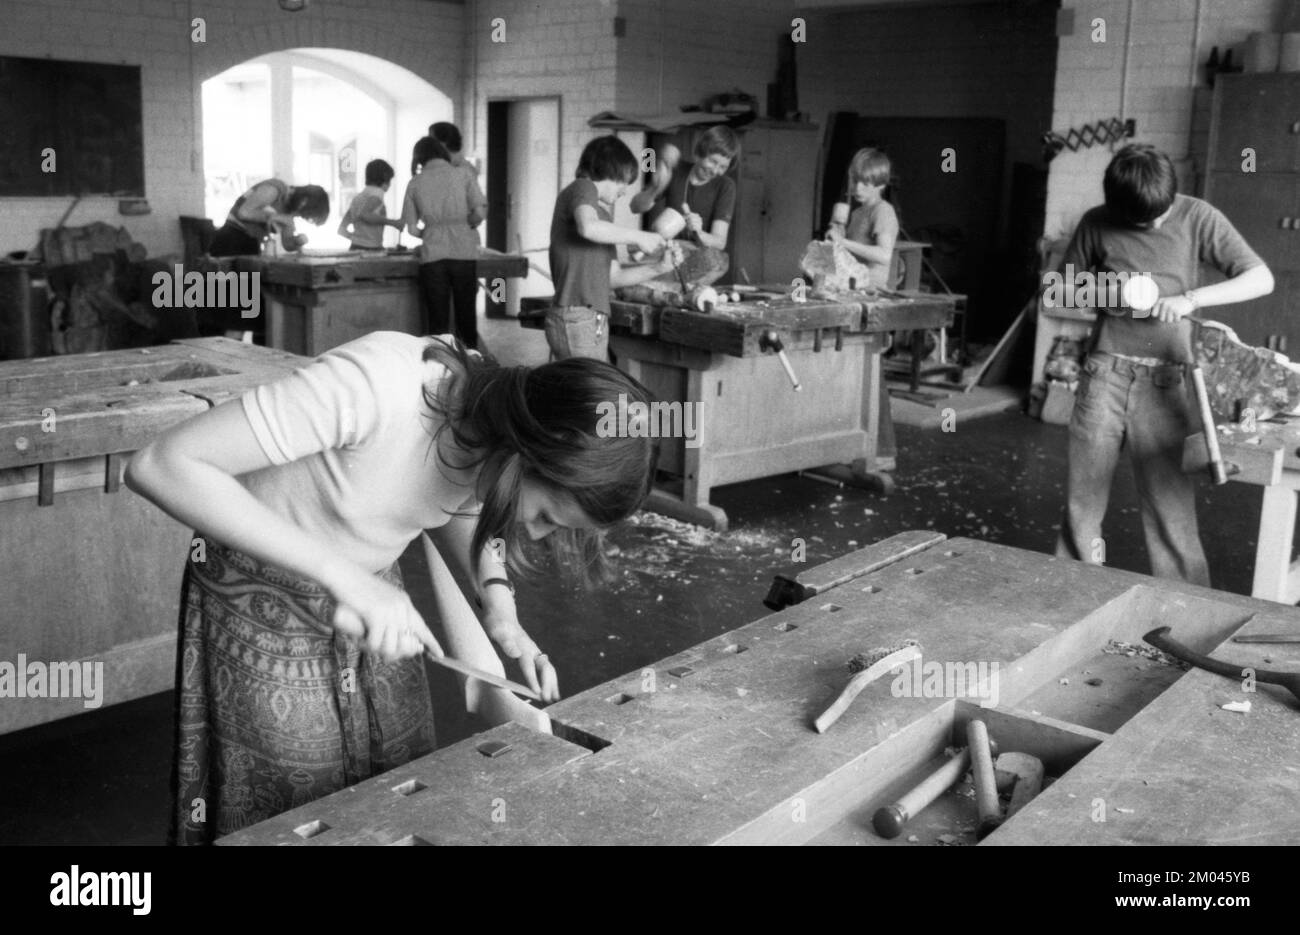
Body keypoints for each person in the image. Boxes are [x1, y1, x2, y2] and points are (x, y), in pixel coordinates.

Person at [124, 329, 660, 843]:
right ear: (525, 453)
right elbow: (160, 465)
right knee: (293, 803)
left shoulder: (490, 430)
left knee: (398, 775)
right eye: (545, 516)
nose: (535, 534)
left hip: (373, 594)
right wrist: (345, 577)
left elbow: (458, 495)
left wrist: (499, 607)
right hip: (260, 597)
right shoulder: (377, 386)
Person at [1054, 143, 1274, 585]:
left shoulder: (1198, 216)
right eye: (1143, 220)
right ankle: (1071, 596)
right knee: (1084, 500)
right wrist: (1111, 293)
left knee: (1170, 506)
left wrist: (1190, 298)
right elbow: (1056, 293)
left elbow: (1261, 278)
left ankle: (1189, 609)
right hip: (1105, 373)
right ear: (1116, 207)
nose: (1155, 223)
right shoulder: (1096, 222)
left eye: (1160, 214)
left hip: (1167, 378)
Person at [547, 136, 680, 361]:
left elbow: (613, 278)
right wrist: (639, 236)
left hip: (591, 318)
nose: (624, 191)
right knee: (590, 394)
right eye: (624, 182)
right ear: (611, 170)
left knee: (594, 392)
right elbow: (587, 227)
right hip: (576, 316)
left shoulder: (603, 219)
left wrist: (659, 267)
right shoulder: (583, 186)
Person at [403, 136, 488, 348]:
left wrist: (432, 232)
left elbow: (412, 229)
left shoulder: (414, 183)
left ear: (420, 158)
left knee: (438, 321)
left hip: (432, 257)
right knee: (466, 316)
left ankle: (440, 372)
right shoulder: (464, 175)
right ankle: (472, 369)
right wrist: (465, 225)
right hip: (464, 254)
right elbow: (480, 212)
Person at [631, 126, 738, 250]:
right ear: (699, 153)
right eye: (713, 161)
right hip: (668, 253)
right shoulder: (677, 170)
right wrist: (655, 188)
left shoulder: (725, 186)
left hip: (700, 259)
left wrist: (699, 232)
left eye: (723, 167)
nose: (715, 171)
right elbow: (634, 207)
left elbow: (719, 242)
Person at [826, 148, 900, 290]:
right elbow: (850, 257)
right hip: (851, 286)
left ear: (881, 185)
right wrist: (836, 238)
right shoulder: (857, 213)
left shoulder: (883, 211)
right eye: (855, 181)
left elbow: (884, 255)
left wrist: (843, 242)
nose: (857, 188)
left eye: (865, 184)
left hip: (871, 291)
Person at [208, 180, 329, 257]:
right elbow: (244, 212)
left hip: (251, 245)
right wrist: (277, 217)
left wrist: (298, 241)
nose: (298, 215)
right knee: (227, 296)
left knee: (250, 296)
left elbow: (287, 243)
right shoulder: (274, 189)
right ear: (303, 201)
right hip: (230, 241)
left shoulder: (290, 209)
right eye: (302, 213)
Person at [337, 159, 403, 250]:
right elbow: (365, 214)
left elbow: (341, 230)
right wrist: (393, 223)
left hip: (354, 247)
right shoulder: (377, 193)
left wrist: (358, 240)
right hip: (372, 249)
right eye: (390, 180)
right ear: (385, 179)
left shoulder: (357, 199)